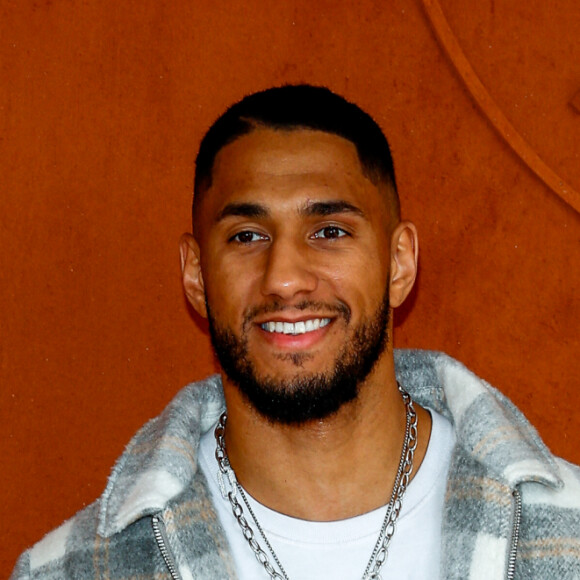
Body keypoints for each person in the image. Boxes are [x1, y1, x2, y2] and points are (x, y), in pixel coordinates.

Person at [10, 85, 580, 580]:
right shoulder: (71, 570)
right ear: (195, 274)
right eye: (246, 236)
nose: (284, 278)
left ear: (399, 263)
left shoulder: (569, 535)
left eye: (329, 230)